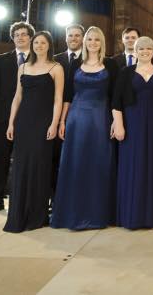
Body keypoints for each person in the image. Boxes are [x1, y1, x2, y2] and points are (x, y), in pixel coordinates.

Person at [51, 26, 119, 230]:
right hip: (76, 120)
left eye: (97, 39)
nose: (92, 43)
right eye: (89, 39)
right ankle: (72, 213)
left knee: (99, 164)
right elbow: (68, 97)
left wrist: (116, 121)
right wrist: (62, 121)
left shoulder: (111, 64)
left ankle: (99, 214)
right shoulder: (75, 65)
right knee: (76, 163)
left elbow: (116, 96)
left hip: (101, 119)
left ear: (102, 42)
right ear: (84, 41)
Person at [111, 36, 153, 229]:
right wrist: (119, 125)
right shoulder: (126, 72)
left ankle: (150, 215)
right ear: (135, 51)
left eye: (148, 49)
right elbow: (116, 102)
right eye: (141, 49)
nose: (145, 51)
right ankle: (131, 214)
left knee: (152, 166)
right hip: (132, 124)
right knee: (133, 165)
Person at [3, 31, 64, 232]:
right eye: (36, 42)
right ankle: (18, 214)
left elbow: (58, 100)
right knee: (21, 168)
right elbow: (17, 97)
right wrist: (11, 123)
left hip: (44, 122)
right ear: (32, 44)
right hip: (24, 122)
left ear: (49, 45)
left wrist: (54, 124)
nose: (39, 45)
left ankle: (37, 215)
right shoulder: (22, 68)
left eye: (43, 42)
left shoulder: (56, 68)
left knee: (39, 167)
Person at [0, 21, 35, 216]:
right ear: (13, 37)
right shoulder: (2, 60)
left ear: (30, 37)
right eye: (17, 34)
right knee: (0, 160)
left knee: (27, 160)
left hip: (29, 118)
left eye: (24, 34)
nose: (20, 37)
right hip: (2, 118)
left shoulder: (38, 59)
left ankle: (24, 200)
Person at [51, 24, 84, 204]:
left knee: (76, 157)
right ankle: (55, 199)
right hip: (56, 116)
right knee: (55, 158)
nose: (73, 38)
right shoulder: (55, 60)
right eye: (70, 35)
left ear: (82, 38)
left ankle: (75, 198)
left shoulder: (89, 59)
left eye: (77, 35)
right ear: (65, 37)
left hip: (81, 114)